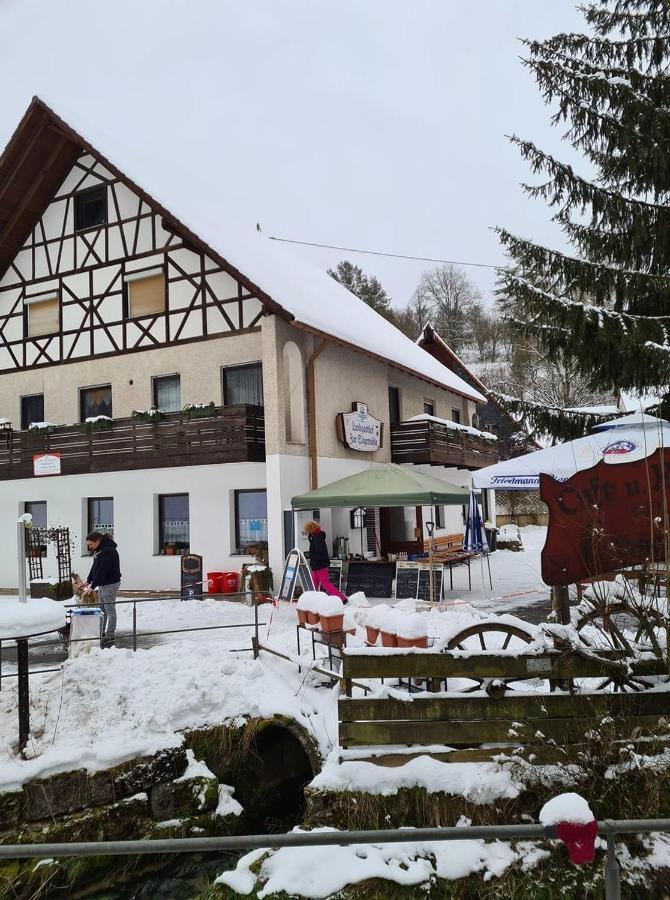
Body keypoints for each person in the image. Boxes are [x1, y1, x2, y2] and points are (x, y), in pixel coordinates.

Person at [83, 532, 121, 648]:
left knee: (109, 610)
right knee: (102, 610)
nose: (89, 547)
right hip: (103, 584)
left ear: (98, 541)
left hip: (110, 584)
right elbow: (95, 567)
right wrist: (88, 581)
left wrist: (93, 586)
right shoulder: (100, 551)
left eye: (90, 544)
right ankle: (101, 633)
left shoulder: (108, 551)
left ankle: (110, 635)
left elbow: (102, 571)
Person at [303, 521, 348, 604]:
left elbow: (318, 551)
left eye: (307, 530)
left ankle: (342, 599)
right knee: (314, 583)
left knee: (325, 584)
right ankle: (313, 600)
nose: (306, 532)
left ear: (310, 529)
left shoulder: (317, 537)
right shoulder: (316, 536)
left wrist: (313, 561)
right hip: (318, 565)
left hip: (320, 565)